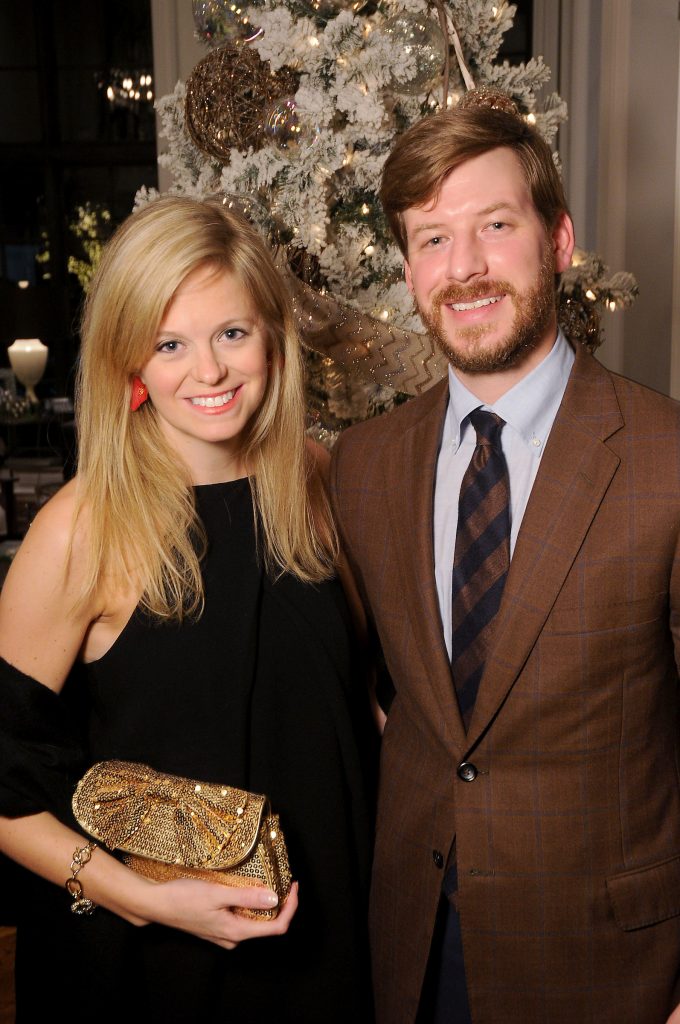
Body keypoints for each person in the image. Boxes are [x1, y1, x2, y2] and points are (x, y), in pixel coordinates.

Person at [329, 90, 680, 1023]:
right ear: (406, 270)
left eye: (494, 224)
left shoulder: (665, 457)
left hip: (615, 969)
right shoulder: (362, 468)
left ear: (558, 240)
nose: (466, 266)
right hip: (413, 953)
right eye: (432, 238)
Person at [0, 196, 375, 1023]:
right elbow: (6, 784)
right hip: (154, 964)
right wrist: (142, 899)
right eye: (171, 344)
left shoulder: (313, 478)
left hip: (330, 942)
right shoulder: (80, 529)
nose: (208, 372)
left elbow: (360, 710)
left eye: (231, 334)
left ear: (273, 340)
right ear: (131, 362)